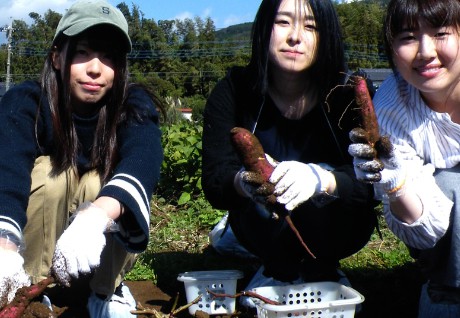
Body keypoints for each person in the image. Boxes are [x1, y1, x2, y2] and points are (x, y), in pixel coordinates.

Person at [202, 0, 378, 307]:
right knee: (258, 210)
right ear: (263, 28)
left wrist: (323, 179)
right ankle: (276, 268)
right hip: (261, 225)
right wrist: (245, 182)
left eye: (311, 26)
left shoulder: (346, 95)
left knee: (332, 195)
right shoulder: (234, 90)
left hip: (337, 226)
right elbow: (215, 182)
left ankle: (322, 266)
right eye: (283, 23)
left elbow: (373, 185)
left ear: (327, 36)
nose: (295, 37)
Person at [0, 0, 163, 317]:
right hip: (34, 246)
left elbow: (144, 156)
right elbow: (7, 172)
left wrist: (95, 217)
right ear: (57, 58)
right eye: (83, 52)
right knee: (49, 173)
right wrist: (4, 245)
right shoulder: (27, 101)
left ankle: (107, 291)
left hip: (98, 242)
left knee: (106, 182)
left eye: (108, 57)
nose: (95, 68)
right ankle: (27, 291)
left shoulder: (133, 104)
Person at [348, 0, 460, 316]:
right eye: (408, 37)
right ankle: (447, 294)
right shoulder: (391, 106)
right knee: (448, 182)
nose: (424, 51)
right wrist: (395, 182)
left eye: (440, 32)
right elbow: (424, 230)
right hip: (444, 238)